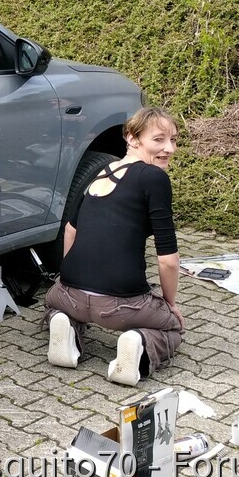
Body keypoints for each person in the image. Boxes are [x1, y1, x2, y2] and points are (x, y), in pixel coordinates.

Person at [44, 107, 184, 385]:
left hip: (66, 292)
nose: (169, 148)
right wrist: (170, 305)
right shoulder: (154, 177)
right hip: (120, 307)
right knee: (173, 329)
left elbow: (70, 230)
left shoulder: (100, 171)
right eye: (159, 140)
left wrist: (67, 280)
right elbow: (167, 259)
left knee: (52, 306)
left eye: (174, 140)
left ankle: (66, 323)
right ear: (132, 138)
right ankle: (140, 343)